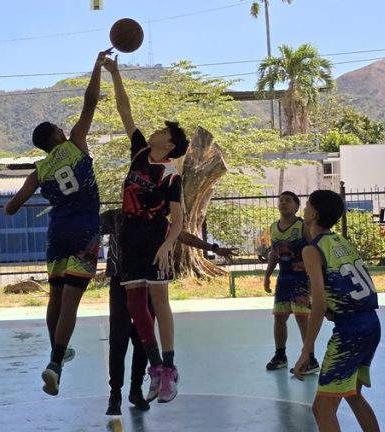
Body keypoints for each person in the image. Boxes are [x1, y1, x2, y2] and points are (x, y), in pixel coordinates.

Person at [4, 48, 112, 396]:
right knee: (70, 303)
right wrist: (97, 66)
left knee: (55, 297)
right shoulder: (76, 143)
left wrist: (42, 192)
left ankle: (57, 352)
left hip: (57, 233)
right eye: (59, 128)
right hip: (85, 232)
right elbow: (90, 101)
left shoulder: (39, 169)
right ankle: (54, 363)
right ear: (57, 136)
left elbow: (12, 207)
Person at [104, 55, 190, 404]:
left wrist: (168, 245)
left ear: (169, 145)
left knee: (159, 301)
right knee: (135, 305)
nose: (156, 131)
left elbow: (178, 218)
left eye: (163, 132)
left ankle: (169, 369)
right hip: (129, 237)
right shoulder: (140, 152)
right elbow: (124, 110)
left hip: (155, 238)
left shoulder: (170, 175)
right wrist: (115, 73)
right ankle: (155, 367)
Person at [101, 209, 237, 415]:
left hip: (146, 283)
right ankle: (115, 395)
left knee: (142, 340)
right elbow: (88, 229)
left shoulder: (155, 220)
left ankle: (135, 390)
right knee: (118, 340)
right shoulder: (114, 217)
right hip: (121, 282)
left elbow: (182, 235)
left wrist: (214, 248)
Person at [294, 190, 381, 432]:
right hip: (371, 323)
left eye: (307, 205)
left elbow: (319, 303)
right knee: (353, 394)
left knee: (322, 408)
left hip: (350, 331)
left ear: (313, 213)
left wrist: (306, 350)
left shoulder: (312, 250)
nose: (304, 209)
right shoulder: (342, 242)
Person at [263, 191, 319, 374]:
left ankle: (310, 358)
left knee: (302, 317)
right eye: (281, 200)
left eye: (288, 200)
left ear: (296, 207)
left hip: (302, 278)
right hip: (284, 278)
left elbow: (314, 249)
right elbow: (274, 253)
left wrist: (316, 274)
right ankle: (280, 355)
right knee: (279, 316)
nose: (283, 203)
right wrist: (267, 275)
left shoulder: (302, 227)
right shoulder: (273, 227)